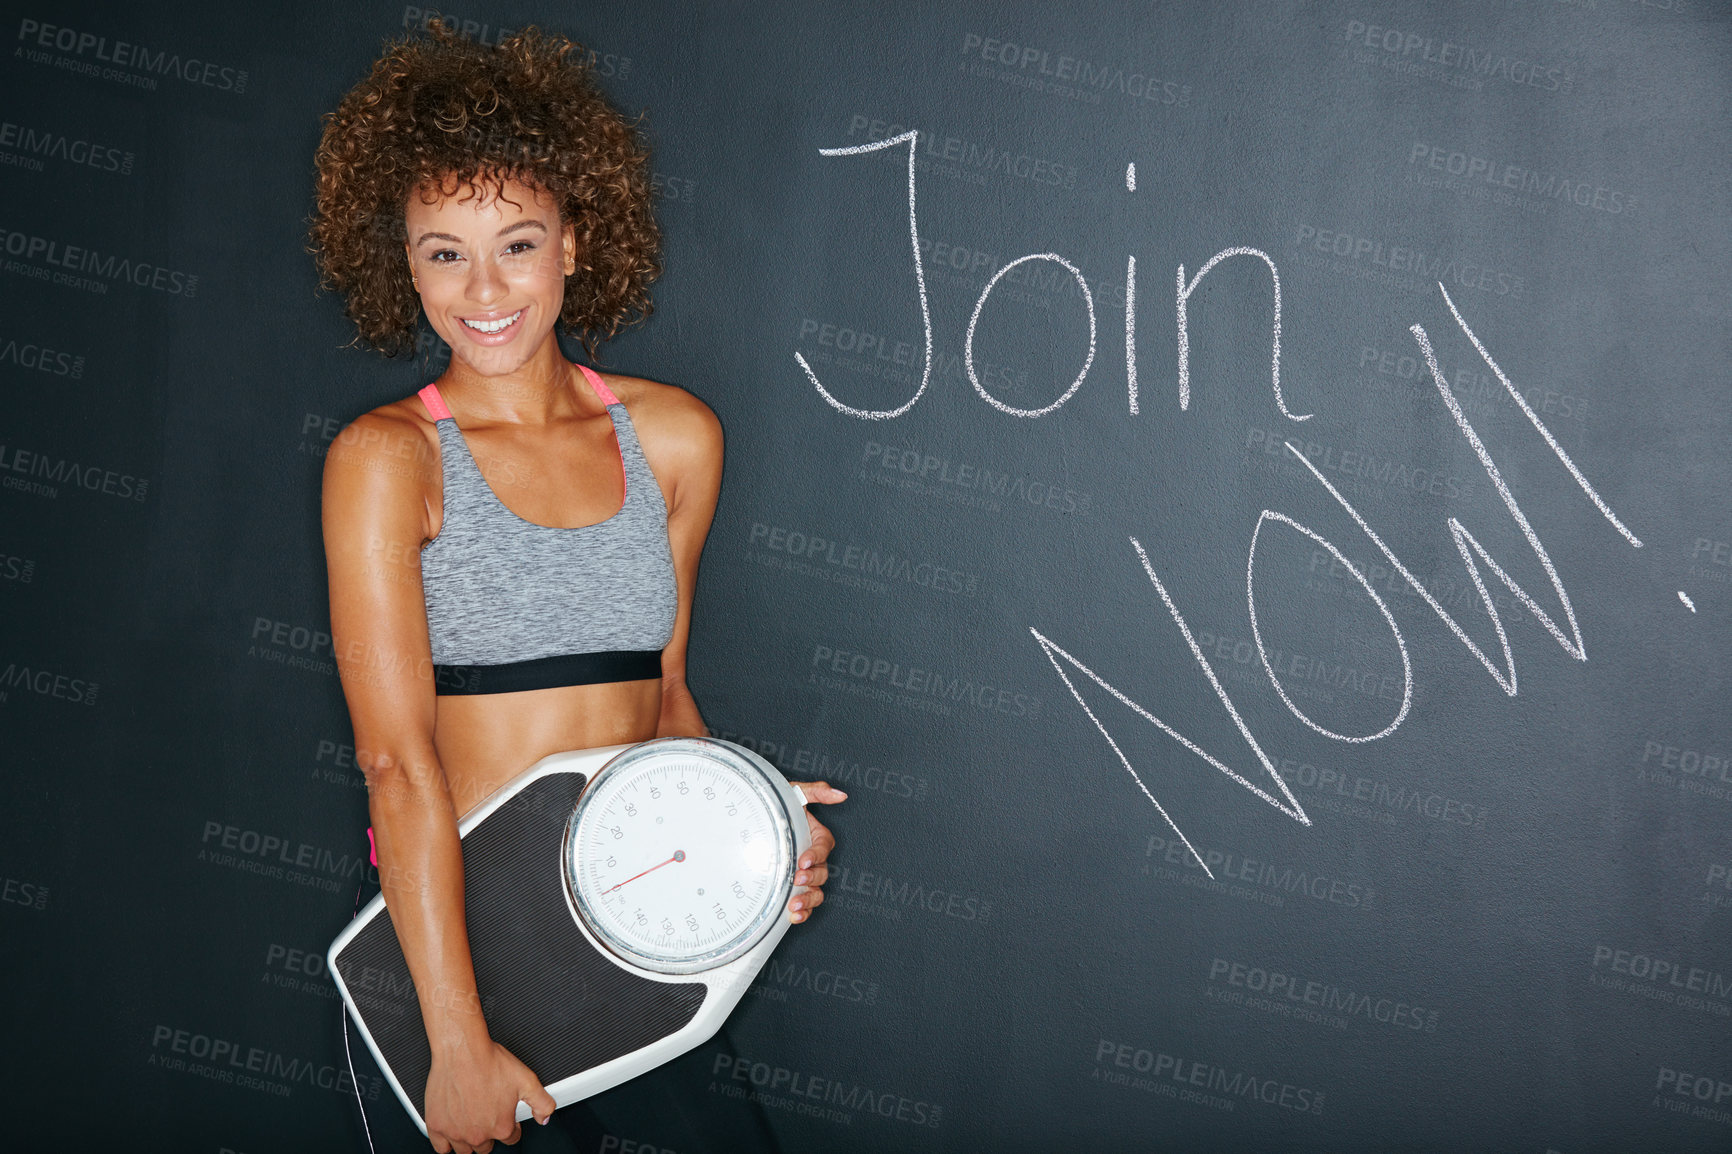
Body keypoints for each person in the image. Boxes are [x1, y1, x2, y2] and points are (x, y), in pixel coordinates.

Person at [307, 24, 844, 1154]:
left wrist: (756, 837)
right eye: (442, 251)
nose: (483, 288)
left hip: (645, 939)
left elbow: (666, 697)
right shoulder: (386, 459)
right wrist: (456, 1041)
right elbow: (395, 763)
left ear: (576, 242)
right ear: (402, 261)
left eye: (517, 242)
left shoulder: (675, 438)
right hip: (467, 965)